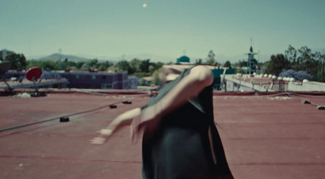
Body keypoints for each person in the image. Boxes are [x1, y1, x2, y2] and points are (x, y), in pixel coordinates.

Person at [91, 65, 234, 179]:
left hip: (193, 169)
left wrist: (156, 110)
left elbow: (202, 76)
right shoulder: (160, 99)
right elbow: (134, 115)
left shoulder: (191, 76)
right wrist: (111, 128)